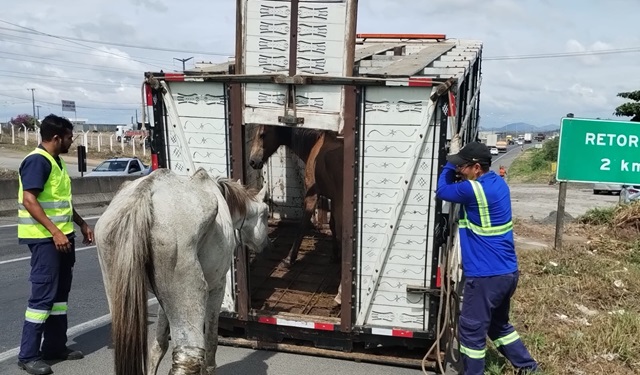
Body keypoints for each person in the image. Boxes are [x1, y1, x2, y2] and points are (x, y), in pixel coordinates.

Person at [435, 135, 538, 375]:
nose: (460, 169)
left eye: (463, 166)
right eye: (458, 165)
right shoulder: (497, 183)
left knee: (471, 331)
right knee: (498, 325)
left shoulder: (473, 189)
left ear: (477, 168)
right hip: (507, 273)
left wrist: (449, 166)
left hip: (485, 276)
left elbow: (442, 190)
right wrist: (458, 163)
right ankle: (528, 366)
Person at [16, 114, 94, 375]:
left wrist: (81, 223)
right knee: (42, 298)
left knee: (59, 298)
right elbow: (30, 200)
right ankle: (28, 355)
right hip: (45, 240)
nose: (72, 142)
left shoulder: (56, 161)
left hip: (62, 238)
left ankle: (54, 347)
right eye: (70, 137)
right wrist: (54, 233)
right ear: (57, 138)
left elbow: (61, 203)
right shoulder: (37, 161)